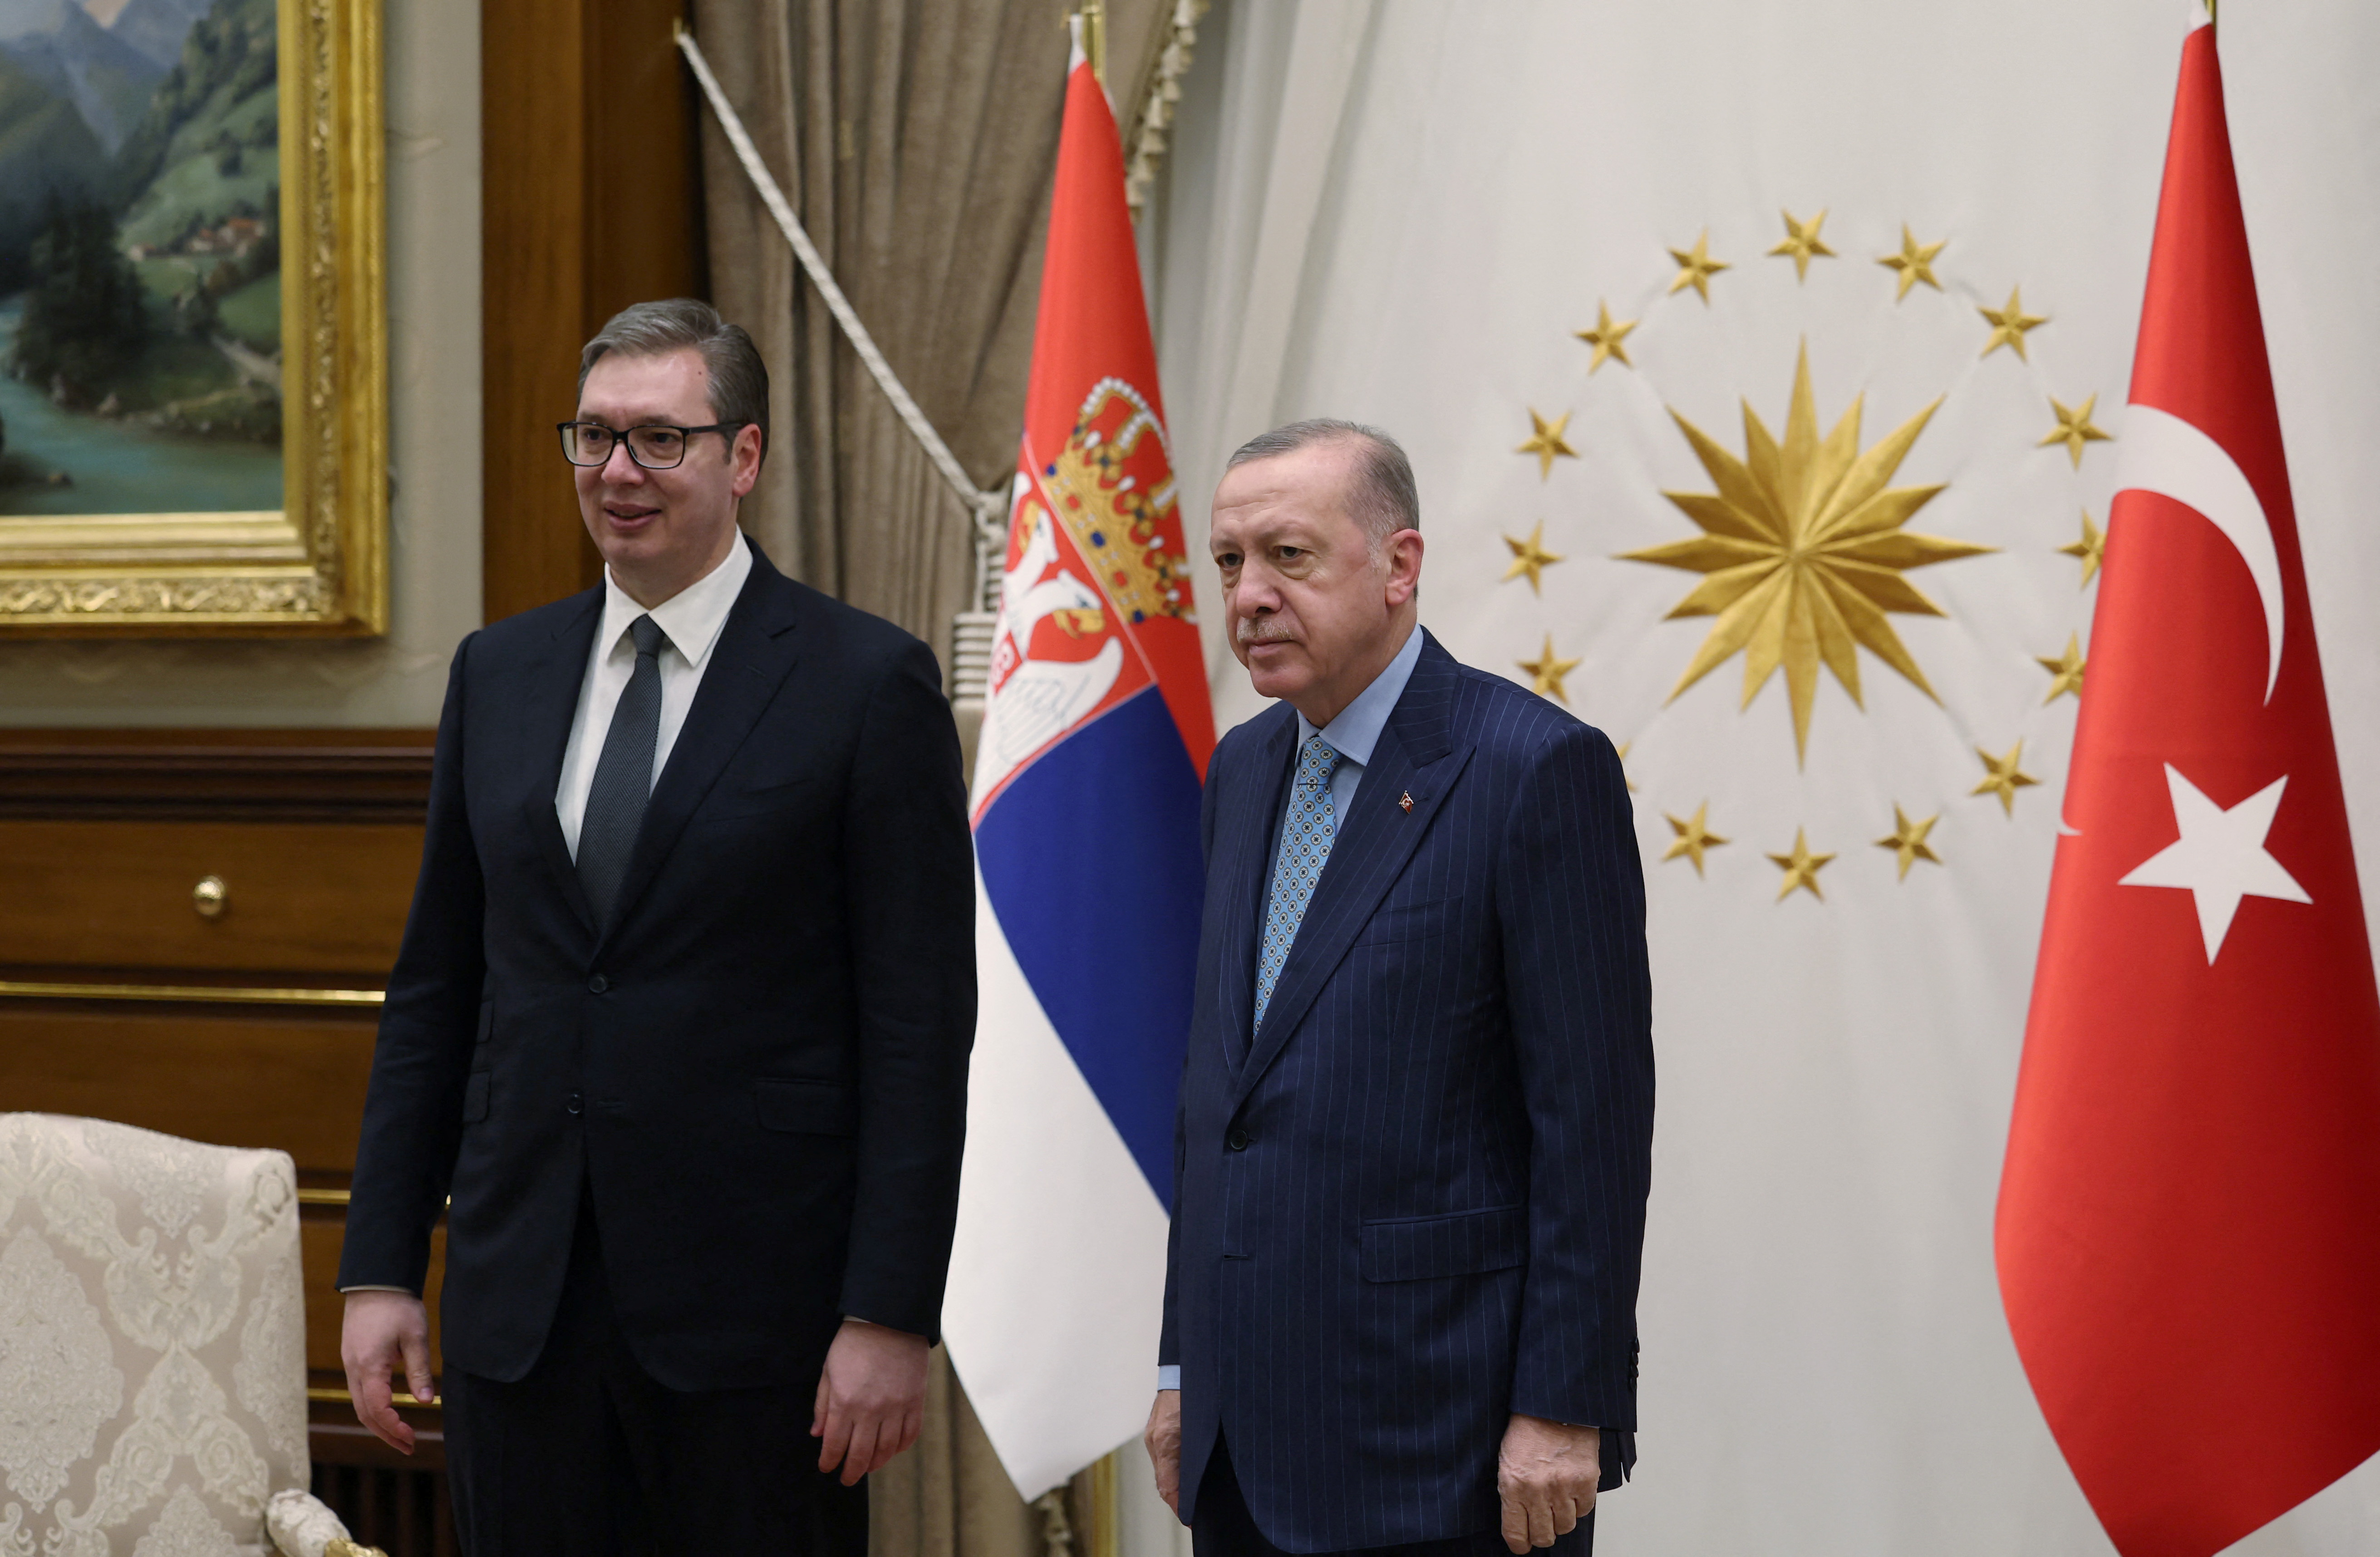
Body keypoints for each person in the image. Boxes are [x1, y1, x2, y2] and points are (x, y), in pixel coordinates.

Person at [336, 299, 976, 1555]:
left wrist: (889, 1316)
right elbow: (437, 993)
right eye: (594, 438)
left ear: (743, 459)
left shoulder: (864, 684)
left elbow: (916, 1028)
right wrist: (378, 1266)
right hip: (522, 1315)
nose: (618, 473)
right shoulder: (499, 674)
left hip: (759, 1329)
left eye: (658, 441)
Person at [1145, 421, 1654, 1556]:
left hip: (1447, 1448)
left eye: (1289, 556)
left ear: (1400, 565)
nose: (1250, 596)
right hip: (1243, 1447)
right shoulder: (1243, 768)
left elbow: (1592, 1130)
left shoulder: (1534, 770)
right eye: (1229, 563)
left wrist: (1565, 1406)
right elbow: (1217, 1102)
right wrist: (1185, 1366)